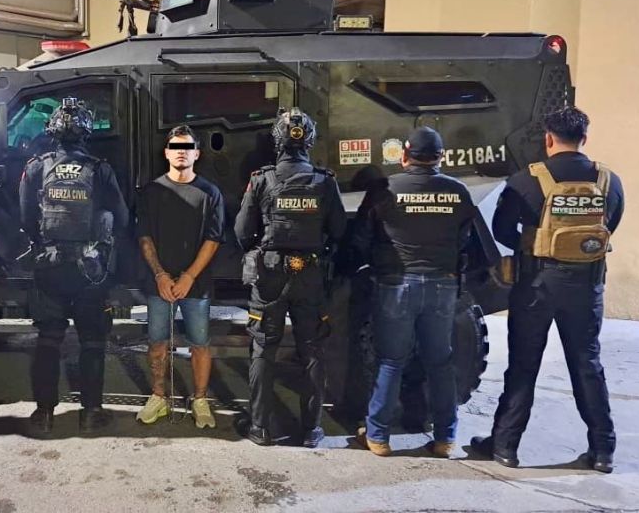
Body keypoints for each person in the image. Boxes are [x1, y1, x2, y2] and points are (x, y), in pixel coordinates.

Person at [471, 106, 624, 473]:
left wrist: (534, 245)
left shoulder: (527, 179)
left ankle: (505, 447)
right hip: (587, 286)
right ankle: (602, 451)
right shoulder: (608, 180)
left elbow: (502, 229)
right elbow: (610, 225)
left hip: (536, 285)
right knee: (587, 365)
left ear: (548, 139)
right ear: (584, 138)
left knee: (523, 366)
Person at [352, 126, 476, 458]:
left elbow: (362, 237)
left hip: (396, 285)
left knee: (391, 360)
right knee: (440, 362)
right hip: (442, 285)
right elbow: (465, 240)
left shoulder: (384, 189)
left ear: (405, 155)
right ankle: (445, 438)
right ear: (440, 157)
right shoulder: (458, 191)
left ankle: (378, 436)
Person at [234, 108, 346, 447]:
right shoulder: (325, 181)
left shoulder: (261, 179)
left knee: (263, 348)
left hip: (269, 273)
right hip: (310, 274)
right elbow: (339, 230)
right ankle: (311, 430)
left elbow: (242, 232)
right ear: (309, 140)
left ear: (276, 141)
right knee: (311, 349)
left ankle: (260, 427)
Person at [21, 97, 129, 435]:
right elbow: (121, 217)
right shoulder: (100, 169)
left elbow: (25, 217)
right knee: (92, 341)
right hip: (90, 269)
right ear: (86, 131)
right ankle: (91, 413)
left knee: (48, 340)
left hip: (49, 266)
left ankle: (44, 414)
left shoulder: (36, 167)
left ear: (52, 131)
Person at [135, 125, 225, 429]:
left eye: (187, 147)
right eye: (176, 147)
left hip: (196, 285)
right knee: (157, 343)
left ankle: (200, 400)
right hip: (159, 283)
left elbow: (213, 239)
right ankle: (159, 397)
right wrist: (161, 275)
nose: (181, 152)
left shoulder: (210, 193)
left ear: (197, 154)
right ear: (167, 153)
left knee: (200, 343)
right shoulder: (150, 192)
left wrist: (188, 277)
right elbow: (144, 237)